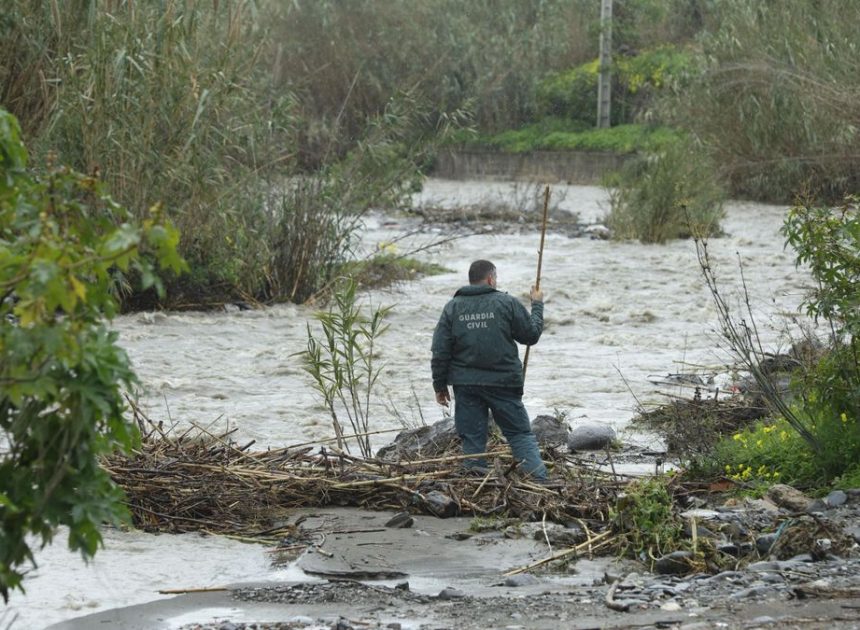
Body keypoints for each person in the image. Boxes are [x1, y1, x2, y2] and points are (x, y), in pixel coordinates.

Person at [431, 259, 547, 480]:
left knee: (472, 439)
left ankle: (475, 487)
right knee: (519, 435)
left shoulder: (452, 308)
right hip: (504, 384)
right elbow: (531, 335)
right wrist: (537, 304)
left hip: (466, 386)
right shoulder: (507, 303)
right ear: (491, 278)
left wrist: (440, 385)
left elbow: (440, 351)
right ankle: (540, 482)